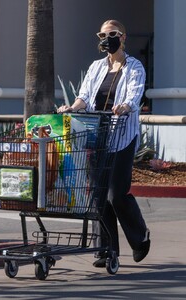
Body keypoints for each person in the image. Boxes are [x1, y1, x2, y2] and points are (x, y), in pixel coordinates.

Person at [57, 19, 150, 267]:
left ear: (123, 37)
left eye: (112, 34)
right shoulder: (96, 67)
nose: (106, 38)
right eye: (102, 34)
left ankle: (140, 238)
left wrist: (125, 106)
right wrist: (71, 108)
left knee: (116, 195)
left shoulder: (134, 67)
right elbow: (84, 96)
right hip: (98, 136)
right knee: (99, 196)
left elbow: (134, 93)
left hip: (122, 136)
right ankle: (106, 250)